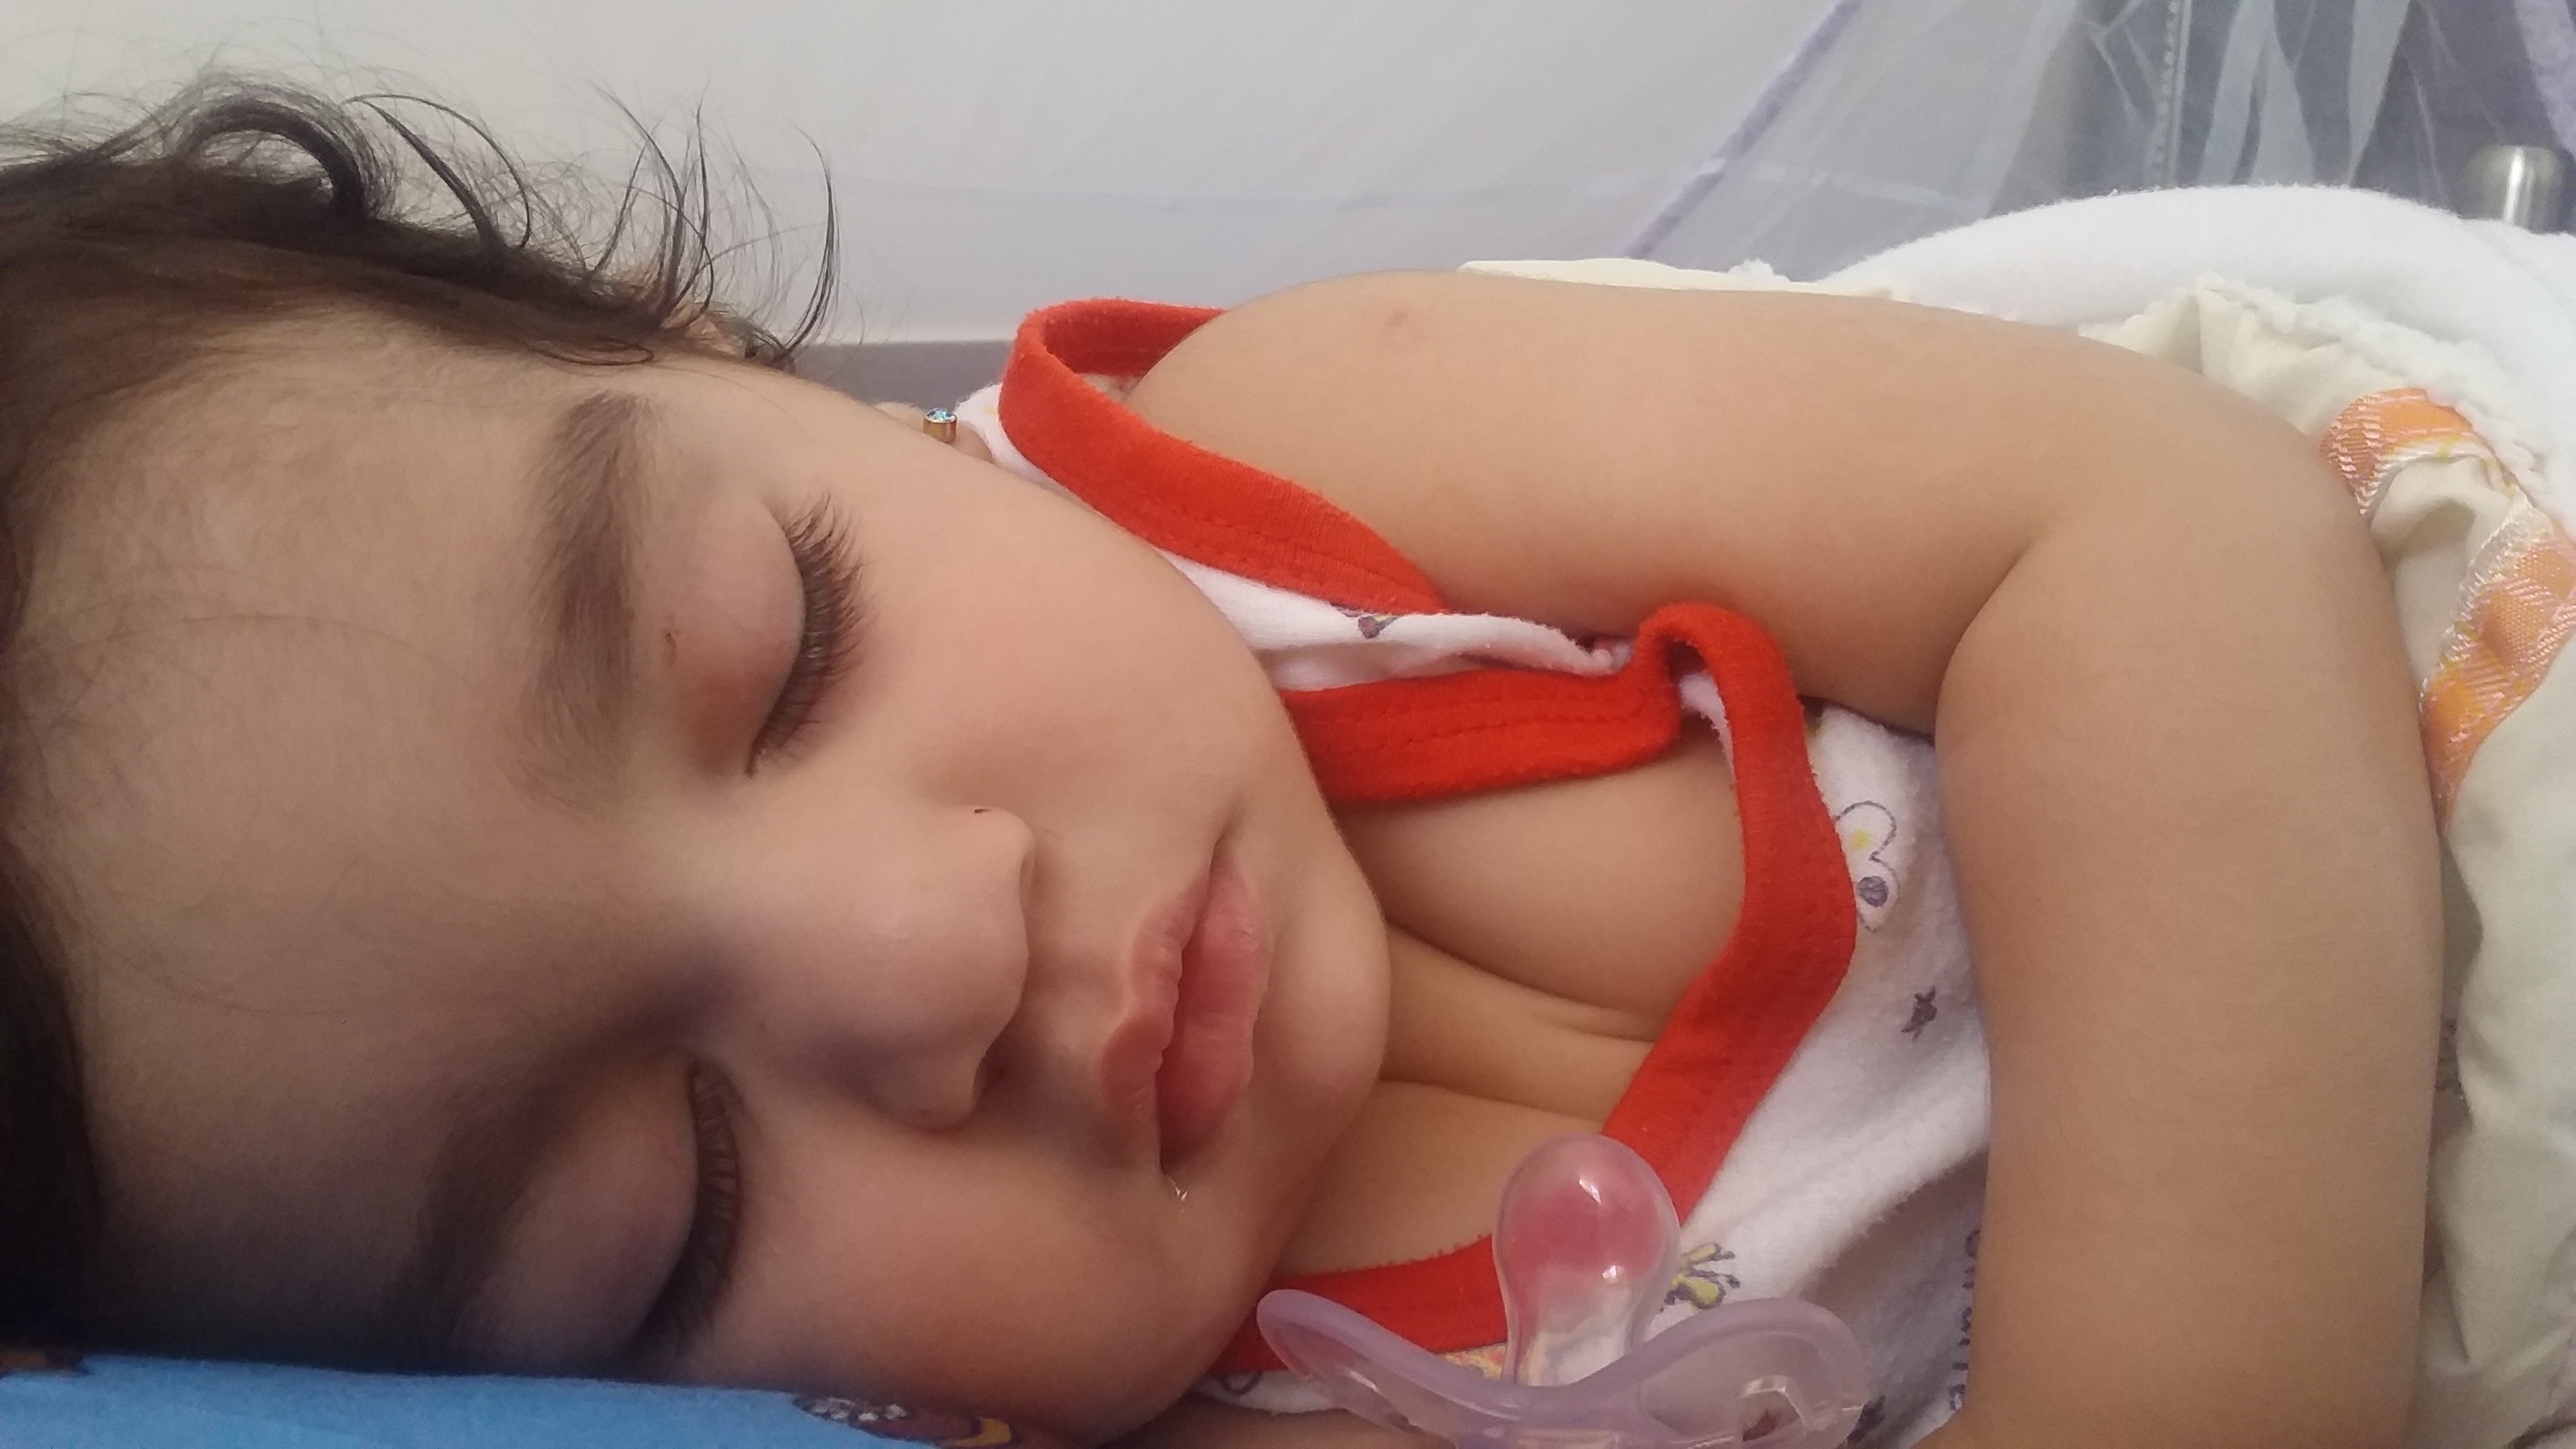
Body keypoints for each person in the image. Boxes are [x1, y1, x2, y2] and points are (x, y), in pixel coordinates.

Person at [0, 79, 2457, 1449]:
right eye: (672, 1205)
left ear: (715, 350)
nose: (939, 949)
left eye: (787, 653)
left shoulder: (1292, 481)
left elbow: (2150, 529)